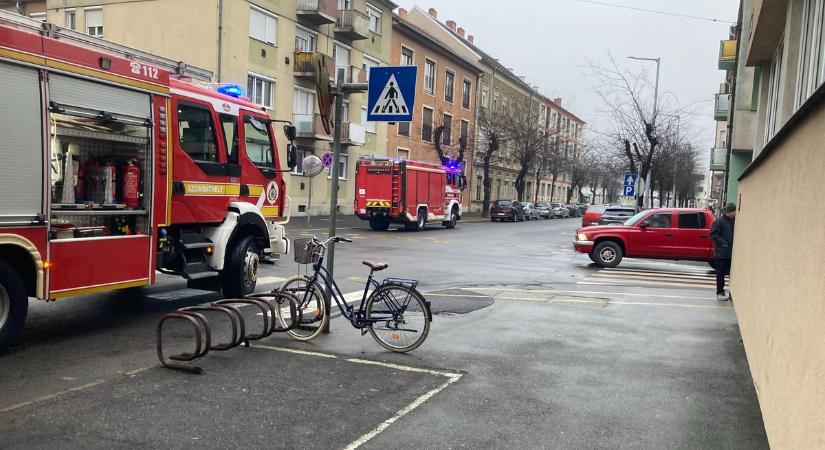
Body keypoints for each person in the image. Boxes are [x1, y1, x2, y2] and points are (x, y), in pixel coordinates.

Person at [710, 203, 736, 300]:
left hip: (730, 254)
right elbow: (713, 234)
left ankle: (729, 291)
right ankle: (720, 292)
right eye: (734, 212)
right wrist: (723, 243)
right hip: (721, 253)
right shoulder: (719, 222)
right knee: (720, 273)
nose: (735, 214)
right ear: (730, 212)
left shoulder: (733, 222)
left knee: (730, 273)